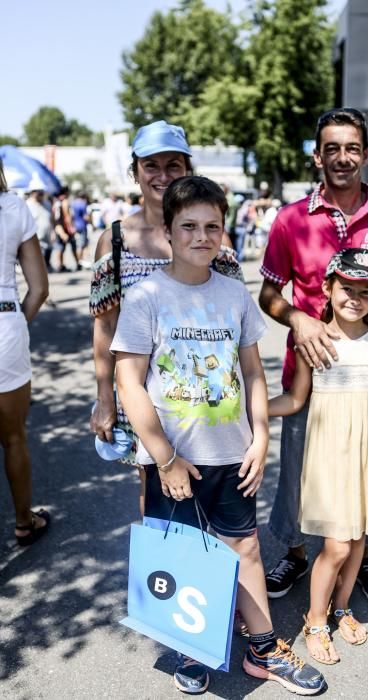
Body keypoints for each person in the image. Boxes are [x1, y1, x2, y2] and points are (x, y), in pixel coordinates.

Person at [110, 175, 325, 696]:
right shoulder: (146, 297)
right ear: (167, 232)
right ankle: (191, 646)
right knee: (184, 551)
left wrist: (260, 438)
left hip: (232, 454)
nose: (202, 236)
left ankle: (263, 648)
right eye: (189, 226)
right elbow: (129, 382)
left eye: (212, 226)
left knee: (245, 548)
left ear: (225, 232)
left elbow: (252, 372)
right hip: (175, 459)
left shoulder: (234, 295)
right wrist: (164, 458)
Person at [259, 107, 368, 606]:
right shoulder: (290, 220)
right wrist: (298, 319)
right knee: (303, 471)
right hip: (311, 370)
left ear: (365, 153)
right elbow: (268, 294)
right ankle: (297, 553)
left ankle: (364, 559)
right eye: (332, 148)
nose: (342, 158)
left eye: (352, 148)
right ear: (317, 155)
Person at [90, 121, 242, 516]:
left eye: (173, 165)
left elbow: (232, 322)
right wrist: (106, 398)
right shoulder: (116, 240)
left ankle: (209, 574)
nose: (162, 175)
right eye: (150, 165)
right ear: (135, 171)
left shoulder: (213, 239)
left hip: (205, 393)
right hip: (142, 394)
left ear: (188, 169)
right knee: (157, 492)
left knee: (214, 496)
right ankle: (167, 575)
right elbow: (105, 326)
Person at [269, 248, 368, 665]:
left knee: (360, 539)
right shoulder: (315, 340)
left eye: (365, 291)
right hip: (328, 457)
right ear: (328, 287)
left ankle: (342, 607)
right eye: (347, 287)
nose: (355, 297)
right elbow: (295, 400)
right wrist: (249, 406)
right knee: (338, 546)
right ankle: (314, 619)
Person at [0, 160, 50, 545]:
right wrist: (17, 325)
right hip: (5, 329)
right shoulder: (14, 208)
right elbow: (38, 288)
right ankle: (23, 521)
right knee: (14, 437)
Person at [52, 186, 79, 272]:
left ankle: (60, 265)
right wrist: (71, 228)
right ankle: (77, 263)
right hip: (65, 228)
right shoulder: (64, 202)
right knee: (72, 246)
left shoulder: (56, 201)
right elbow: (67, 216)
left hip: (59, 227)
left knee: (60, 247)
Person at [71, 191, 91, 268]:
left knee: (78, 244)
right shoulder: (83, 203)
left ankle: (78, 261)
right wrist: (90, 221)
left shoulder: (73, 203)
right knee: (81, 245)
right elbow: (85, 216)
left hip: (75, 226)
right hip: (82, 226)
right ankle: (80, 262)